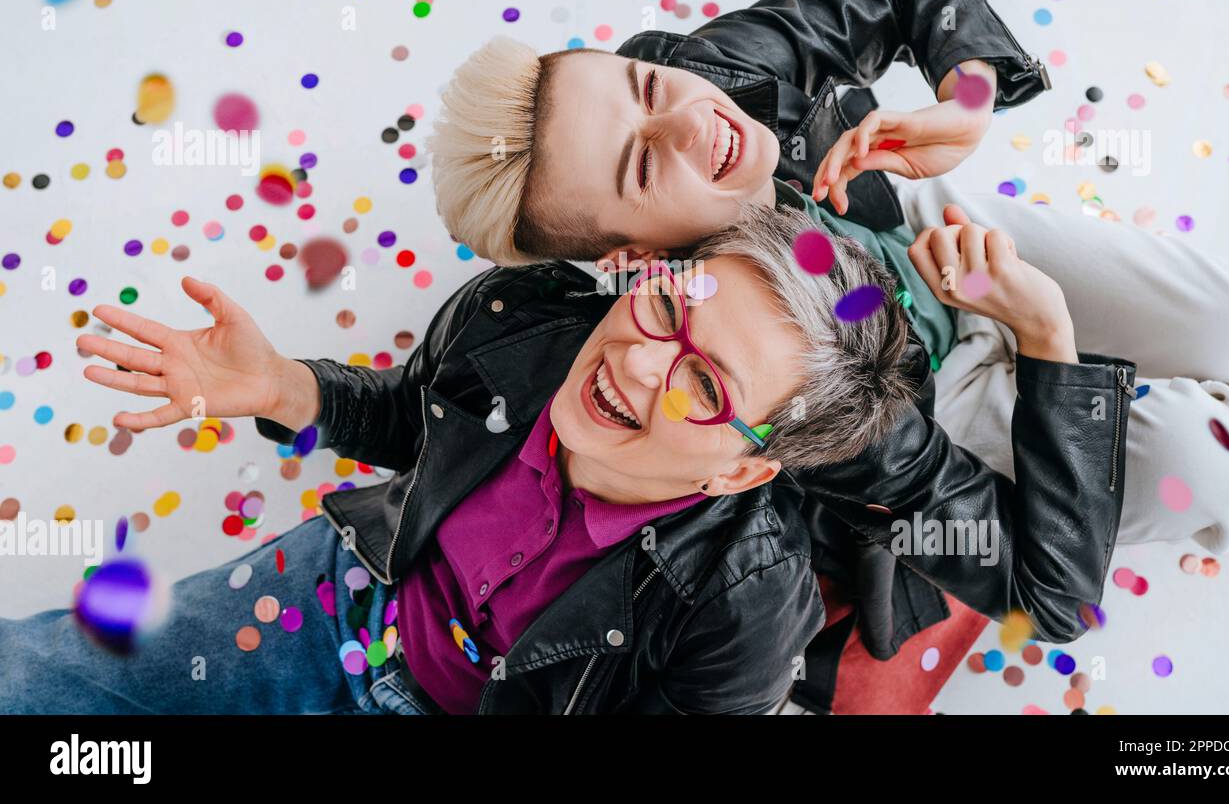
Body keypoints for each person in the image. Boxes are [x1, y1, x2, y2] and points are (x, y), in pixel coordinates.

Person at [9, 207, 1132, 713]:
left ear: (746, 466)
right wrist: (286, 388)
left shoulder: (745, 601)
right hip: (323, 599)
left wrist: (1045, 338)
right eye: (665, 311)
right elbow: (414, 418)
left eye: (704, 384)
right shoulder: (525, 314)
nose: (642, 369)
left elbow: (1054, 593)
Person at [427, 0, 1229, 567]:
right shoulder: (731, 377)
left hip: (931, 227)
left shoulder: (714, 74)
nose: (698, 120)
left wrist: (968, 97)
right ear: (627, 260)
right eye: (647, 164)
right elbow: (1040, 573)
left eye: (647, 87)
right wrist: (1042, 333)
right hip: (931, 402)